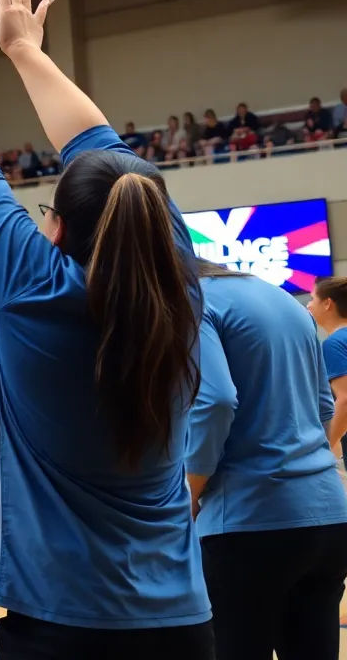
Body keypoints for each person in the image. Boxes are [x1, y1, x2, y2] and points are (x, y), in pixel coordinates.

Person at [0, 0, 210, 656]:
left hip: (62, 627)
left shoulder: (36, 289)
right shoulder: (178, 286)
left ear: (58, 227)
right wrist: (25, 51)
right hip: (183, 625)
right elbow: (115, 166)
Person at [188, 264, 347, 660]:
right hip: (328, 515)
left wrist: (190, 493)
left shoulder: (192, 301)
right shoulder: (285, 301)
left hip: (248, 520)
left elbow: (215, 402)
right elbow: (324, 404)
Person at [308, 276, 347, 460]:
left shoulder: (335, 343)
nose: (308, 305)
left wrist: (325, 447)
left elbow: (346, 399)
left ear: (327, 304)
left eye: (312, 299)